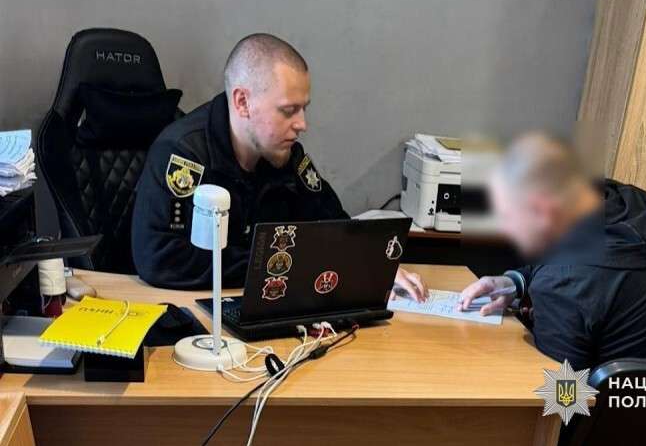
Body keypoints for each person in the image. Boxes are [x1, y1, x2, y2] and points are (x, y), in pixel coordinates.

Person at [132, 33, 427, 300]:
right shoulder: (183, 154)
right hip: (182, 314)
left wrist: (371, 262)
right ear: (243, 102)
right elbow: (159, 259)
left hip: (262, 304)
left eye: (303, 108)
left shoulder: (284, 155)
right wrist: (276, 264)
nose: (302, 124)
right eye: (288, 111)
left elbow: (333, 224)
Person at [459, 132, 646, 370]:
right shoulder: (632, 215)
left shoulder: (563, 282)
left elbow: (561, 393)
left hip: (615, 402)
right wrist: (516, 282)